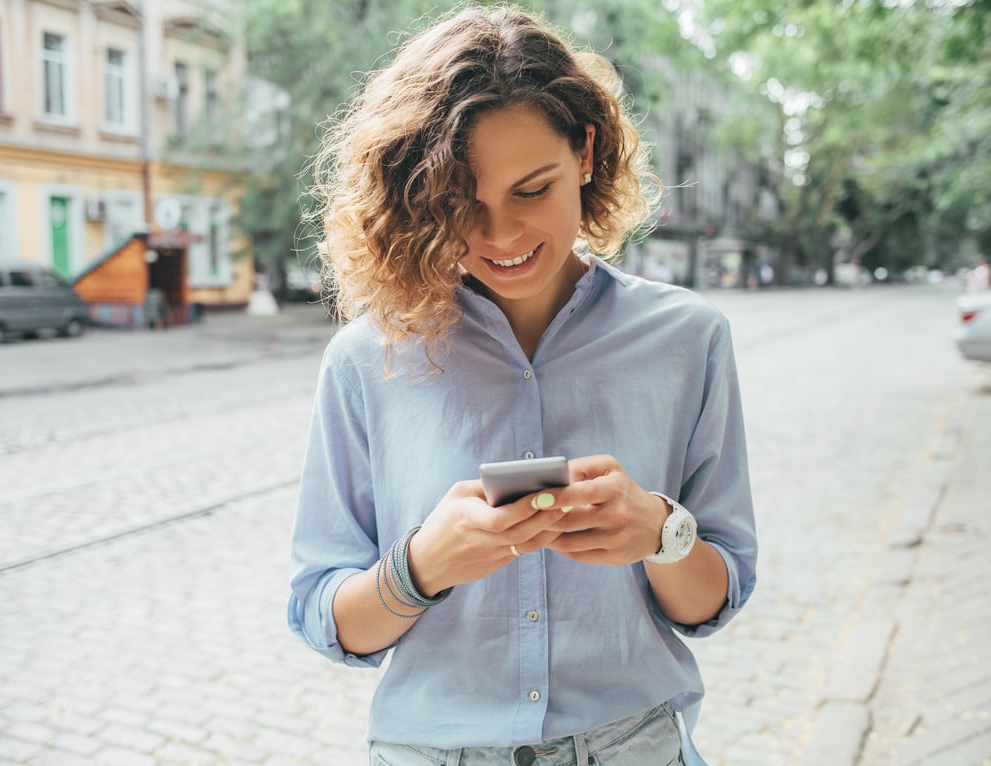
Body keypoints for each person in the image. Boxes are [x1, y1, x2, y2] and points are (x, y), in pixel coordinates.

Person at [287, 6, 758, 765]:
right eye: (461, 205)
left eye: (531, 189)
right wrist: (422, 568)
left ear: (585, 153)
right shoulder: (365, 358)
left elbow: (714, 598)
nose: (500, 236)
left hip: (633, 744)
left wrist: (659, 531)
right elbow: (324, 617)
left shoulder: (687, 338)